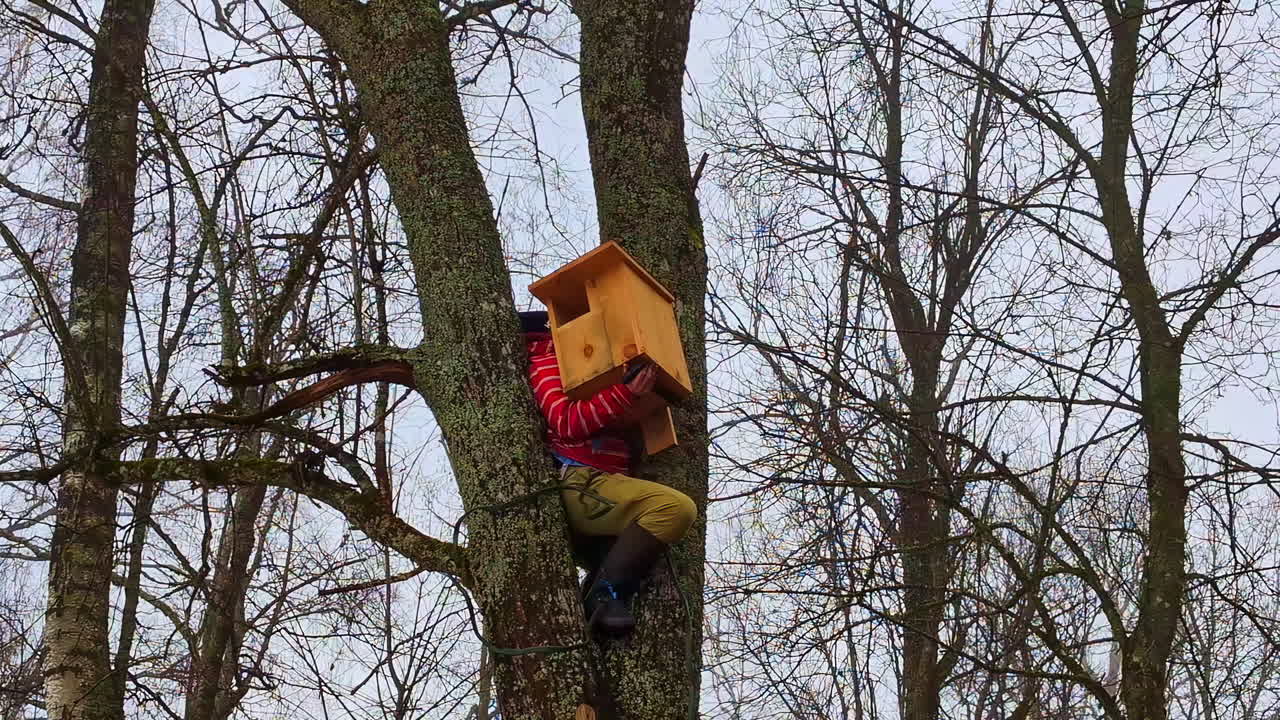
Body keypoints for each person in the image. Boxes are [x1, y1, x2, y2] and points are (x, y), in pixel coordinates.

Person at [519, 310, 696, 636]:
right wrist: (624, 394)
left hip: (602, 484)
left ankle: (600, 599)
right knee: (674, 508)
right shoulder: (548, 363)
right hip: (582, 482)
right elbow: (566, 422)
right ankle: (604, 595)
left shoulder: (588, 368)